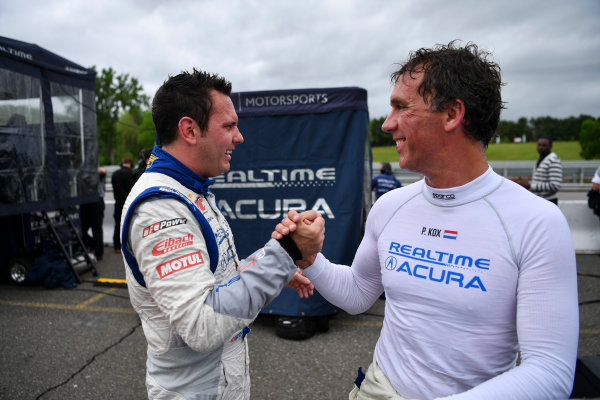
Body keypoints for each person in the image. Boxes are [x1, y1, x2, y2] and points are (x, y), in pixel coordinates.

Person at [274, 41, 578, 399]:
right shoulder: (391, 206)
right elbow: (358, 294)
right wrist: (310, 260)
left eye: (401, 107)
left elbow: (550, 371)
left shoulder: (537, 221)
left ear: (452, 114)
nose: (388, 124)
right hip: (378, 388)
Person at [119, 69, 324, 399]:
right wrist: (286, 251)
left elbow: (217, 279)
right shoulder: (161, 208)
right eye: (228, 126)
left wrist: (274, 267)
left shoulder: (190, 190)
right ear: (189, 130)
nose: (239, 137)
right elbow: (201, 324)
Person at [514, 136, 563, 204]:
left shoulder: (553, 160)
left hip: (549, 201)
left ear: (550, 146)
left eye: (544, 145)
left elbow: (555, 185)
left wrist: (530, 186)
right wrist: (526, 183)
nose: (540, 147)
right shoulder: (542, 158)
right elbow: (540, 180)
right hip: (541, 200)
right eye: (539, 145)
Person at [80, 167, 106, 260]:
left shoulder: (96, 171)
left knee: (96, 228)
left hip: (96, 200)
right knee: (81, 229)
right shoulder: (81, 173)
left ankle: (98, 253)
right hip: (84, 201)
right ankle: (93, 245)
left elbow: (103, 171)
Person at [111, 157, 134, 252]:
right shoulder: (133, 173)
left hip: (118, 202)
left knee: (117, 225)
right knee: (130, 225)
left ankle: (117, 246)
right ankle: (130, 248)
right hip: (129, 203)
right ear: (131, 164)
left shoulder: (114, 174)